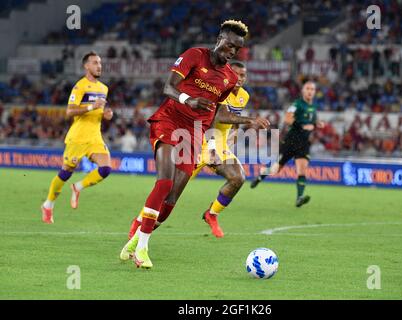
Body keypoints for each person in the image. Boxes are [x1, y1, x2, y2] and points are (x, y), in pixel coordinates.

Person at [120, 20, 269, 269]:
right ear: (220, 38)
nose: (232, 51)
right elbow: (168, 87)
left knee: (171, 201)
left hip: (193, 134)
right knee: (164, 181)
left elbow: (216, 114)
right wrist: (188, 99)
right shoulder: (194, 55)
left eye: (237, 49)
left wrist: (237, 127)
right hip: (168, 120)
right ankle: (143, 249)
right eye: (230, 44)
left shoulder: (229, 79)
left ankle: (136, 239)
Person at [40, 51, 114, 223]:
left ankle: (78, 187)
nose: (99, 66)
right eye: (95, 63)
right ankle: (48, 204)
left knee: (106, 169)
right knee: (65, 173)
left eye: (100, 63)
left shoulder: (104, 88)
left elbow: (100, 110)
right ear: (86, 66)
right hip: (78, 138)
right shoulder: (79, 86)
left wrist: (106, 114)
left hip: (95, 137)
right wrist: (90, 107)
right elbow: (69, 111)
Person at [190, 61, 250, 238]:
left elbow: (233, 120)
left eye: (243, 75)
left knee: (237, 178)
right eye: (236, 74)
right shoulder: (219, 90)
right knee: (170, 192)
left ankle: (212, 214)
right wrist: (211, 148)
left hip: (220, 144)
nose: (239, 78)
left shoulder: (244, 96)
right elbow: (215, 120)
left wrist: (233, 137)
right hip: (198, 141)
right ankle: (141, 224)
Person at [250, 81, 324, 207]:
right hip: (291, 141)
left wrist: (318, 123)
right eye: (308, 88)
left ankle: (299, 197)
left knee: (302, 170)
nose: (310, 91)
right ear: (303, 91)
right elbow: (287, 119)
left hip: (304, 143)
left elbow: (313, 120)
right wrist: (302, 125)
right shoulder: (297, 104)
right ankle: (261, 175)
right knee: (276, 170)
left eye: (312, 89)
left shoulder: (313, 107)